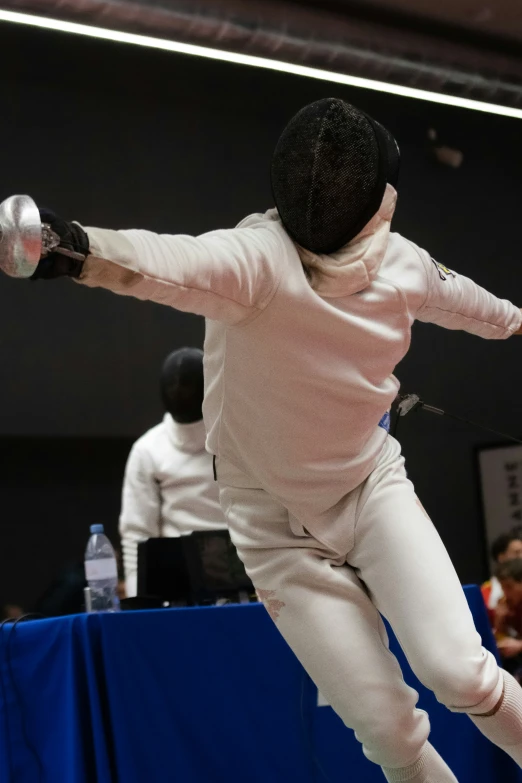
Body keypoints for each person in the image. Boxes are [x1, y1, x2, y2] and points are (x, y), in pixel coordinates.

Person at [3, 97, 522, 782]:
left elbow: (482, 307)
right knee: (391, 734)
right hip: (272, 530)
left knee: (466, 675)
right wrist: (67, 246)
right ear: (379, 200)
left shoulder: (406, 267)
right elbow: (162, 262)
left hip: (371, 491)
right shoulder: (256, 259)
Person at [119, 347, 227, 596]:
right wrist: (141, 599)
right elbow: (137, 533)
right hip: (176, 582)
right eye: (175, 385)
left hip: (241, 572)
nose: (181, 390)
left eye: (189, 385)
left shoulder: (238, 443)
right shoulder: (147, 449)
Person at [482, 531, 522, 624]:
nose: (521, 556)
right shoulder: (487, 590)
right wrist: (499, 621)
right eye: (517, 552)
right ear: (501, 558)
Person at [493, 558, 522, 683]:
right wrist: (499, 619)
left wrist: (519, 646)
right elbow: (499, 636)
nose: (505, 593)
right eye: (502, 587)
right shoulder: (506, 604)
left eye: (509, 587)